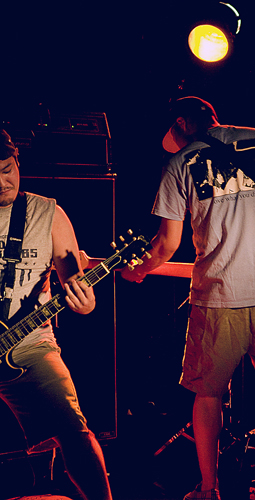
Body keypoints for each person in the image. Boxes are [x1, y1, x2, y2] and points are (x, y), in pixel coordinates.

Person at [120, 97, 255, 500]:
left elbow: (167, 244)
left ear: (182, 123)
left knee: (208, 394)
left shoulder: (179, 163)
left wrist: (138, 269)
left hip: (218, 295)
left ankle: (209, 490)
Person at [0, 130, 112, 500]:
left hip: (30, 345)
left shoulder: (47, 213)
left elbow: (78, 286)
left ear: (18, 162)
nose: (2, 182)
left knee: (73, 427)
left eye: (7, 170)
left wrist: (83, 300)